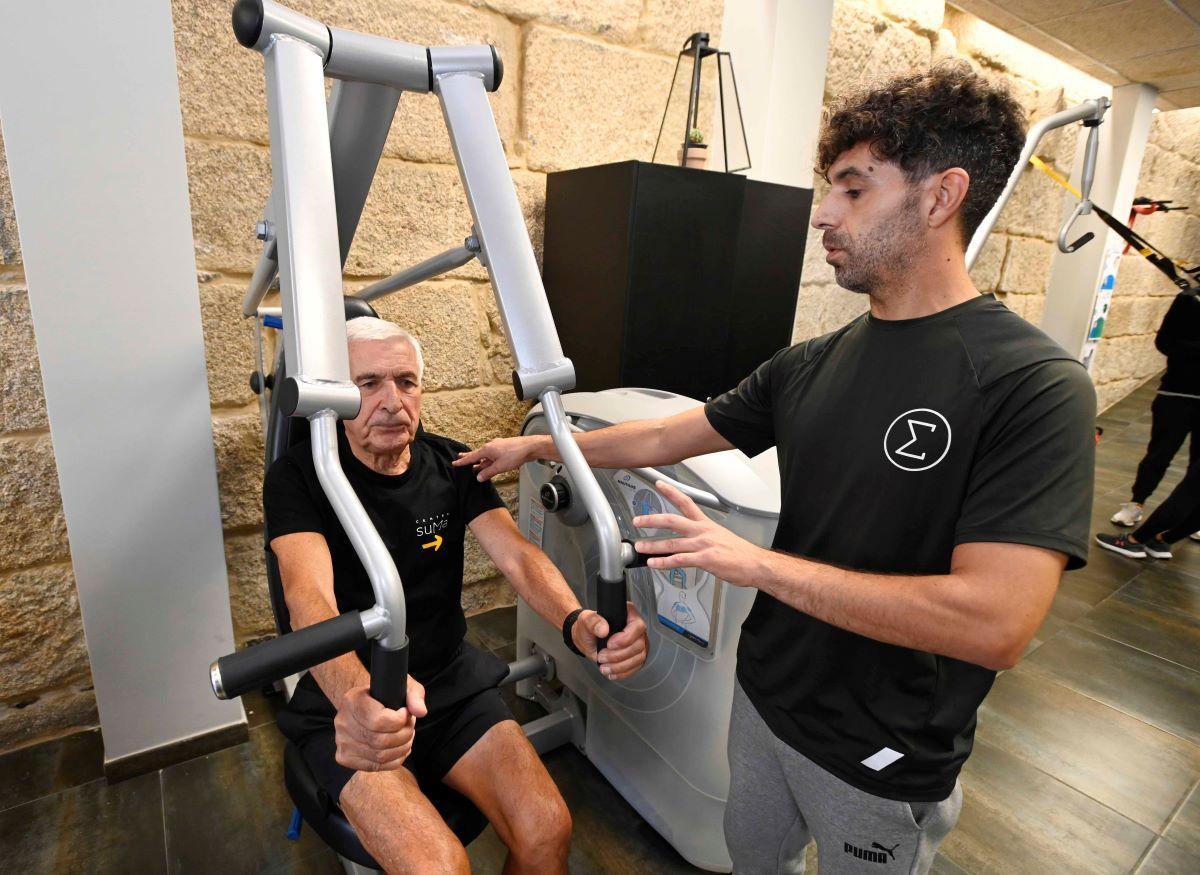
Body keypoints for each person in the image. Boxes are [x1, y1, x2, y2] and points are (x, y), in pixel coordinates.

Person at [455, 63, 1095, 873]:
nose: (823, 213)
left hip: (881, 747)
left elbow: (995, 624)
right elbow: (666, 436)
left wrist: (754, 564)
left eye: (854, 189)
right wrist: (539, 446)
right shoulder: (811, 363)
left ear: (942, 196)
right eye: (830, 189)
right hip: (762, 697)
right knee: (753, 857)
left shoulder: (1031, 384)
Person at [264, 317, 650, 874]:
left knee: (547, 829)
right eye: (368, 384)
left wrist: (576, 619)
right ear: (338, 397)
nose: (392, 401)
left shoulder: (453, 464)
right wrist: (354, 696)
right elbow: (308, 598)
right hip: (352, 702)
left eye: (406, 382)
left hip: (450, 685)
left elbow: (517, 556)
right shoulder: (300, 477)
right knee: (439, 866)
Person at [1106, 291, 1200, 540]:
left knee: (1197, 467)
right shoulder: (1189, 300)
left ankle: (1190, 519)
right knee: (1159, 454)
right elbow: (1165, 342)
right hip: (1176, 394)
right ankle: (1136, 503)